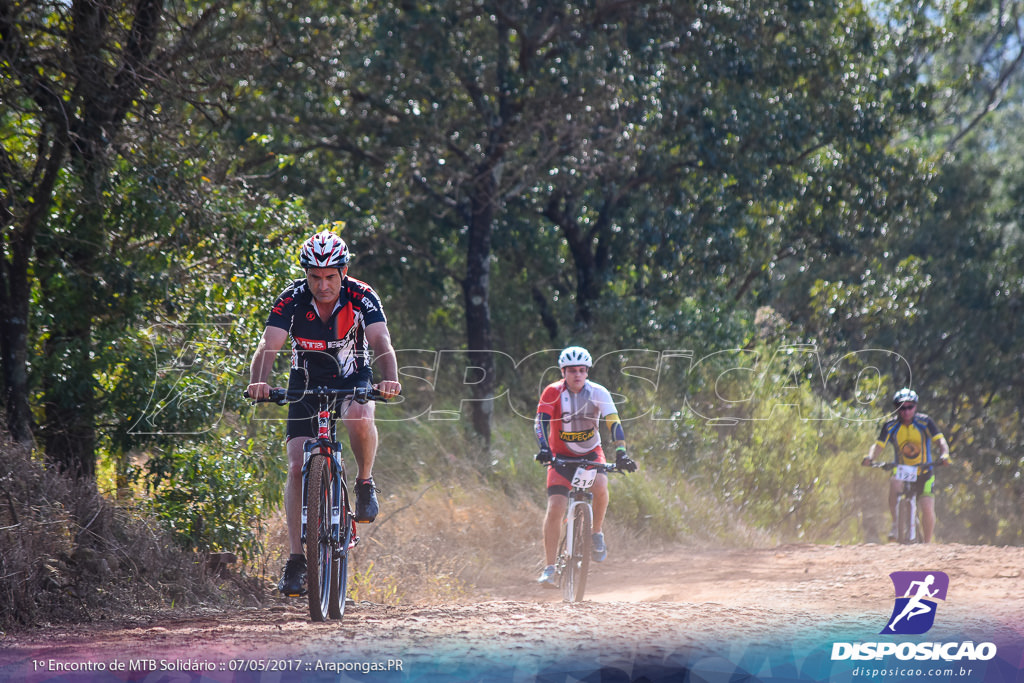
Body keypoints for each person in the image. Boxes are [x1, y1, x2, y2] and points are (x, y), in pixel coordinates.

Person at [247, 228, 402, 596]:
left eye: (330, 276)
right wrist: (259, 381)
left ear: (343, 271)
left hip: (353, 374)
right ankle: (297, 559)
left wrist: (390, 379)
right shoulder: (292, 299)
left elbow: (381, 340)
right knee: (298, 462)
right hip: (306, 379)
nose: (323, 285)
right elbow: (269, 344)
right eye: (314, 277)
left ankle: (365, 482)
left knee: (360, 418)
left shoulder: (362, 295)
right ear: (306, 275)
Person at [533, 346, 637, 587]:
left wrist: (621, 453)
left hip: (591, 453)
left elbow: (614, 422)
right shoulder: (553, 392)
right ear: (563, 371)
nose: (577, 375)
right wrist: (543, 447)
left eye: (582, 370)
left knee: (601, 484)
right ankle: (549, 568)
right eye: (571, 371)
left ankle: (596, 532)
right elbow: (541, 422)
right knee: (556, 506)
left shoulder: (598, 392)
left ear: (587, 371)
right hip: (559, 456)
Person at [862, 388, 950, 543]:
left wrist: (944, 455)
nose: (906, 411)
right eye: (902, 407)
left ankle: (927, 544)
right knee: (894, 482)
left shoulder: (925, 422)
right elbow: (878, 446)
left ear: (915, 407)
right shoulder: (890, 426)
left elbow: (940, 441)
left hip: (924, 470)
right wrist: (870, 457)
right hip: (903, 469)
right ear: (896, 408)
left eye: (910, 407)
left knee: (927, 507)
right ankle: (896, 524)